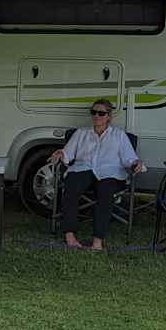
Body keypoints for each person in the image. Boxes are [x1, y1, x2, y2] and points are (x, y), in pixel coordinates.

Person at [49, 99, 143, 251]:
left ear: (108, 116)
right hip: (84, 168)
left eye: (101, 113)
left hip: (110, 172)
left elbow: (128, 158)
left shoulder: (119, 136)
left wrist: (135, 163)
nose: (96, 116)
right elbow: (68, 153)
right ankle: (69, 236)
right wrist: (61, 153)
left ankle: (97, 241)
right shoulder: (81, 133)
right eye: (93, 112)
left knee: (105, 192)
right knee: (71, 186)